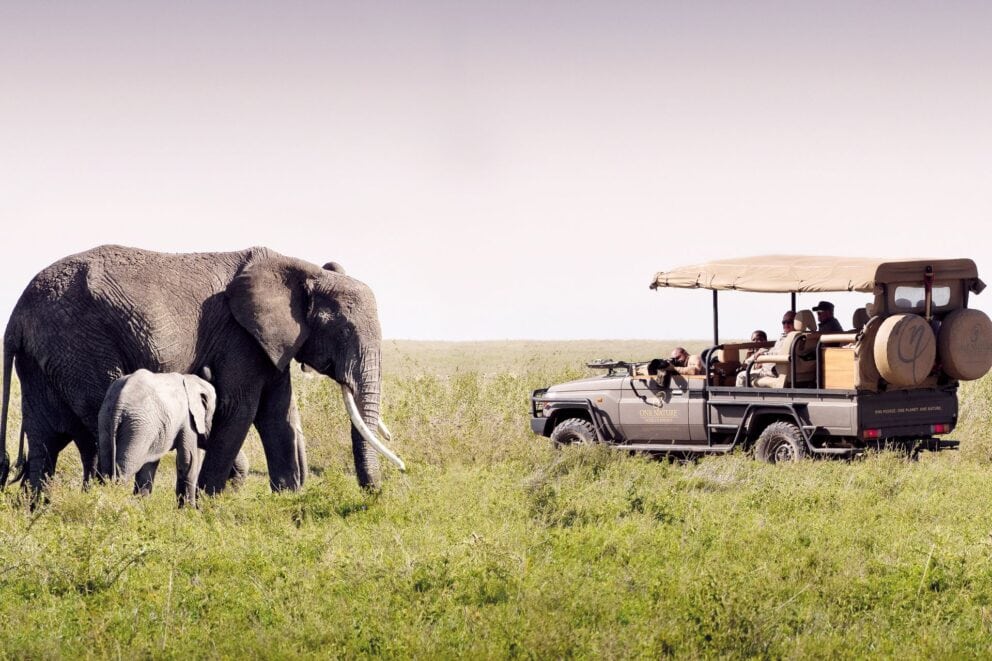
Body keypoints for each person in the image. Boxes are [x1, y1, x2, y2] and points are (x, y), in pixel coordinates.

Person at [737, 312, 795, 386]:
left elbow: (779, 354)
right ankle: (744, 365)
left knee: (741, 376)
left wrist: (763, 356)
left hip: (776, 370)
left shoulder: (790, 339)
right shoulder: (807, 337)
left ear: (796, 323)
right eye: (784, 322)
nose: (786, 325)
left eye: (789, 322)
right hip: (787, 371)